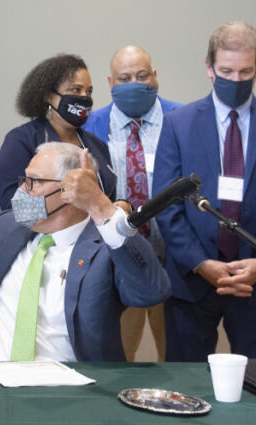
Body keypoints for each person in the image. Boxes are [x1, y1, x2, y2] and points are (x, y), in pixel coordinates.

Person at [0, 118, 169, 362]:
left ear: (69, 190)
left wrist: (103, 208)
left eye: (33, 182)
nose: (22, 190)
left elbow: (151, 291)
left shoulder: (105, 250)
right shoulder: (4, 228)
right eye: (24, 179)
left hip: (68, 397)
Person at [153, 22, 256, 362]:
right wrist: (201, 263)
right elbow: (167, 206)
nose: (235, 80)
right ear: (209, 67)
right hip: (192, 282)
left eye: (245, 71)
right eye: (226, 71)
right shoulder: (179, 123)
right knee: (186, 386)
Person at [83, 45, 182, 362]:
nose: (134, 84)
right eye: (124, 78)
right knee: (118, 358)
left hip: (177, 258)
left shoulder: (182, 119)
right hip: (117, 260)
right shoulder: (88, 127)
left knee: (179, 357)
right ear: (110, 83)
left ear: (155, 77)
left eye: (142, 76)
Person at [0, 54, 116, 210]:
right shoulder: (21, 141)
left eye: (89, 92)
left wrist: (120, 207)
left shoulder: (97, 145)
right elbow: (13, 208)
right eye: (76, 89)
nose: (84, 97)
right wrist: (73, 212)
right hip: (43, 234)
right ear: (48, 96)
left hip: (97, 233)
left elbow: (108, 198)